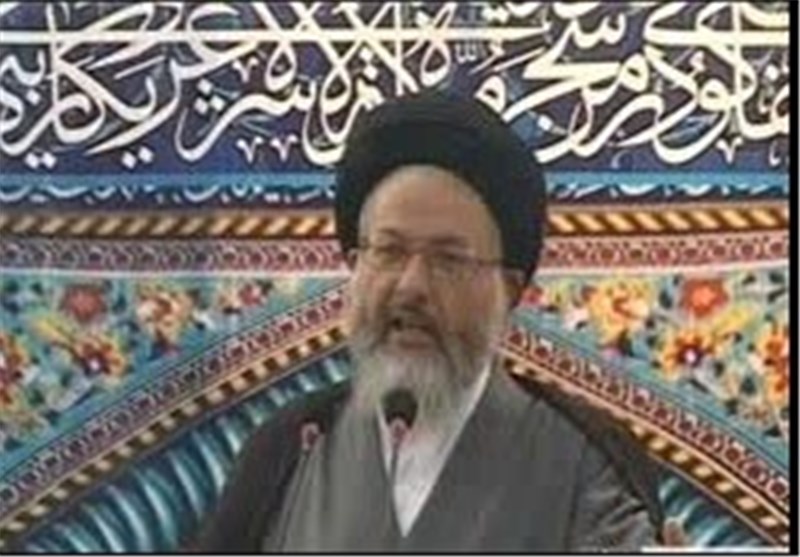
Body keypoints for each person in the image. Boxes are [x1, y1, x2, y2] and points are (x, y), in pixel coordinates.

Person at [190, 91, 665, 552]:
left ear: (508, 290)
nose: (412, 286)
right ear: (355, 267)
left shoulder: (583, 465)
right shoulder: (288, 451)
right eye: (389, 251)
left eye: (449, 260)